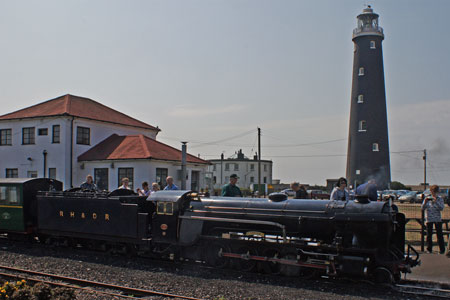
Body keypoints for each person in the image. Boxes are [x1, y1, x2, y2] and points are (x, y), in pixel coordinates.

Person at [421, 185, 445, 254]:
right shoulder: (427, 198)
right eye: (432, 192)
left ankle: (442, 249)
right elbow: (422, 208)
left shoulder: (440, 199)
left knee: (439, 234)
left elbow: (441, 208)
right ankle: (429, 249)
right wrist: (425, 202)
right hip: (429, 218)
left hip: (437, 219)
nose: (433, 193)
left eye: (435, 192)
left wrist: (436, 201)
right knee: (429, 234)